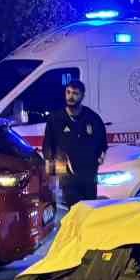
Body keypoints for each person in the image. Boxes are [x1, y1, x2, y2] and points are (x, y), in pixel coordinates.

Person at [43, 79, 107, 208]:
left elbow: (102, 143)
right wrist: (52, 174)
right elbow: (48, 146)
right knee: (74, 210)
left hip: (88, 176)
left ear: (82, 96)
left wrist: (100, 157)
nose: (71, 96)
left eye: (75, 93)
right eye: (68, 92)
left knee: (89, 209)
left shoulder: (92, 118)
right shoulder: (55, 119)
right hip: (67, 175)